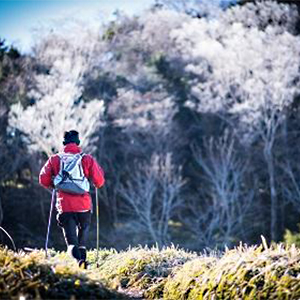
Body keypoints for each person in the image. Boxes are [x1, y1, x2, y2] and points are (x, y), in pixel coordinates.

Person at [39, 130, 105, 267]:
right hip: (84, 205)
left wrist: (55, 185)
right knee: (83, 237)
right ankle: (83, 261)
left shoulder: (55, 159)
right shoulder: (87, 159)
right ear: (78, 142)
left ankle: (79, 262)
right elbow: (99, 181)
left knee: (71, 242)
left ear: (64, 143)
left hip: (65, 206)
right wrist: (95, 183)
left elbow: (43, 179)